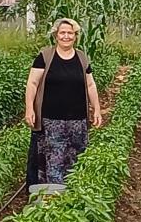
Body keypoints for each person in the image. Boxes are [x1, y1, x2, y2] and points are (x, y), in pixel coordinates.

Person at [24, 18, 103, 186]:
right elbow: (32, 83)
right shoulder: (45, 56)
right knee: (54, 160)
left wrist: (97, 109)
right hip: (51, 120)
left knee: (76, 159)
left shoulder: (82, 58)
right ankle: (55, 201)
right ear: (56, 36)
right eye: (62, 33)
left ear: (75, 36)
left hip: (78, 120)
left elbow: (90, 84)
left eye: (70, 33)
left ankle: (73, 196)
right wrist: (29, 108)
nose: (66, 36)